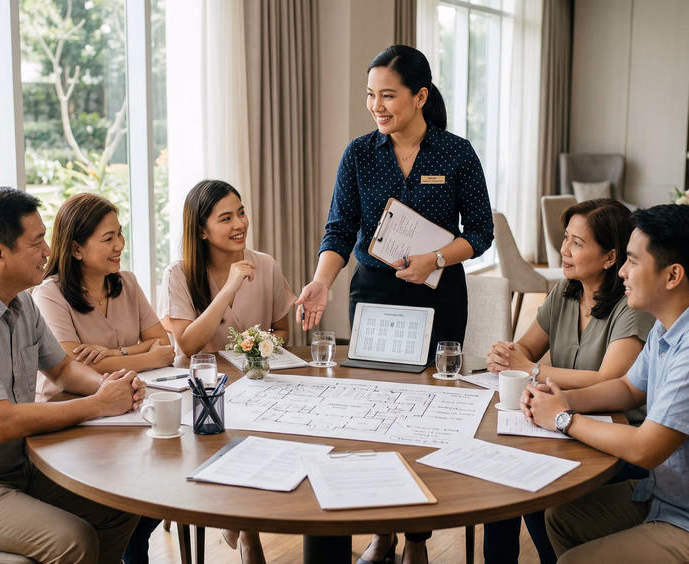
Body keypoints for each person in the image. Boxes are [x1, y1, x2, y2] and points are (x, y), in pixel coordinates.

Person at [295, 44, 494, 564]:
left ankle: (418, 534)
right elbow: (340, 228)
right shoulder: (360, 153)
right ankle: (381, 526)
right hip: (377, 291)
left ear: (419, 96)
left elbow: (481, 232)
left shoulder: (455, 153)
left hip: (438, 292)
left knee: (429, 408)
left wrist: (435, 258)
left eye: (387, 95)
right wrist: (323, 282)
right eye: (370, 95)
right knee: (375, 410)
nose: (376, 106)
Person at [0, 186, 145, 563]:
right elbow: (0, 423)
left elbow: (62, 368)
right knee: (72, 540)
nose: (48, 251)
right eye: (37, 241)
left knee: (121, 504)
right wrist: (98, 404)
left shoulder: (21, 299)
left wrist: (108, 385)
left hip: (23, 465)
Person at [482, 198, 655, 563]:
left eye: (578, 242)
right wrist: (507, 355)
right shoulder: (565, 291)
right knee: (504, 479)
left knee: (526, 485)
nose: (564, 250)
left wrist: (531, 370)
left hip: (615, 436)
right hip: (559, 425)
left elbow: (610, 380)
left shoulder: (631, 306)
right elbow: (526, 347)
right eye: (565, 238)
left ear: (610, 257)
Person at [523, 204, 689, 563]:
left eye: (633, 261)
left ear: (672, 275)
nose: (624, 272)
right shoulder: (665, 327)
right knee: (562, 517)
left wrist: (564, 419)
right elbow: (629, 388)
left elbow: (647, 449)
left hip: (684, 520)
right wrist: (561, 400)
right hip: (662, 494)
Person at [32, 192, 175, 564]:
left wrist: (115, 354)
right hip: (74, 418)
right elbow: (71, 368)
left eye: (120, 234)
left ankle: (135, 545)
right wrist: (146, 353)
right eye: (108, 238)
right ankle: (133, 548)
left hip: (128, 407)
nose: (120, 245)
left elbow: (166, 347)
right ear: (77, 249)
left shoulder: (125, 281)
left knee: (167, 473)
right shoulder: (49, 294)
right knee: (135, 487)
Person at [158, 179, 296, 564]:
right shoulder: (180, 273)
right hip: (204, 392)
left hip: (257, 382)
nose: (240, 223)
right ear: (201, 230)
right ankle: (248, 534)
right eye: (226, 218)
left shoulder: (265, 264)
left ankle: (239, 520)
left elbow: (283, 332)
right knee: (239, 432)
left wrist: (258, 348)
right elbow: (186, 344)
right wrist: (230, 287)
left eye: (241, 212)